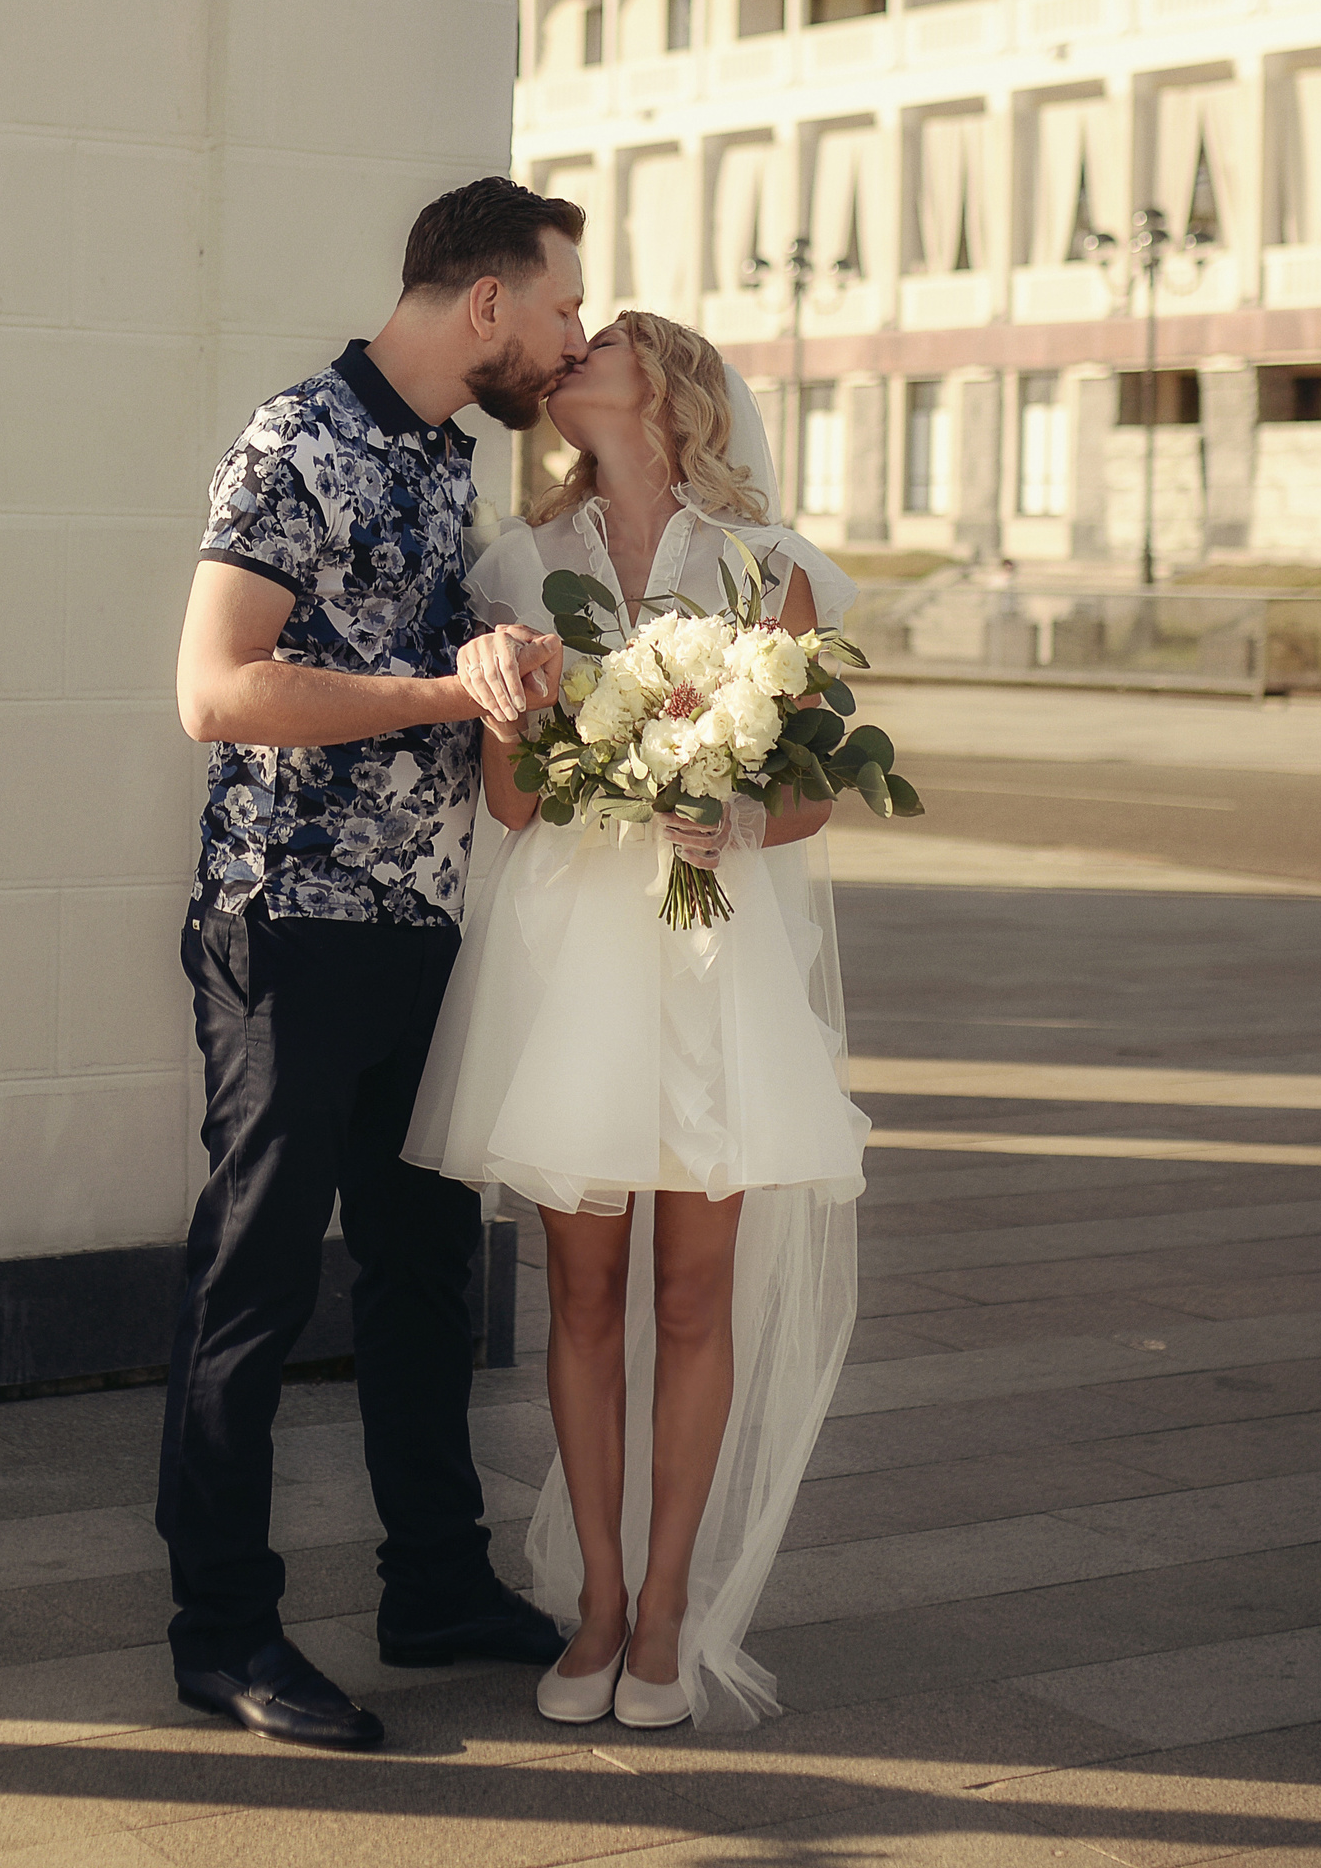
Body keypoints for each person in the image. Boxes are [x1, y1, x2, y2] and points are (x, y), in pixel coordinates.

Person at [157, 178, 590, 1752]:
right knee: (257, 1283)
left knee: (424, 1278)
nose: (572, 338)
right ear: (486, 301)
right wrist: (444, 694)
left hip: (418, 928)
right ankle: (222, 1635)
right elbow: (215, 691)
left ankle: (437, 1587)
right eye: (559, 308)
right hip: (284, 928)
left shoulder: (443, 457)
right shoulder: (300, 440)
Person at [405, 312, 867, 1734]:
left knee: (693, 1296)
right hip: (576, 969)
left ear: (667, 383)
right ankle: (598, 1600)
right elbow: (511, 804)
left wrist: (732, 812)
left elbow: (813, 794)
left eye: (597, 340)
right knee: (584, 1293)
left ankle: (668, 1607)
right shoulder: (517, 567)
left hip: (717, 961)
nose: (569, 356)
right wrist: (512, 709)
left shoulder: (768, 568)